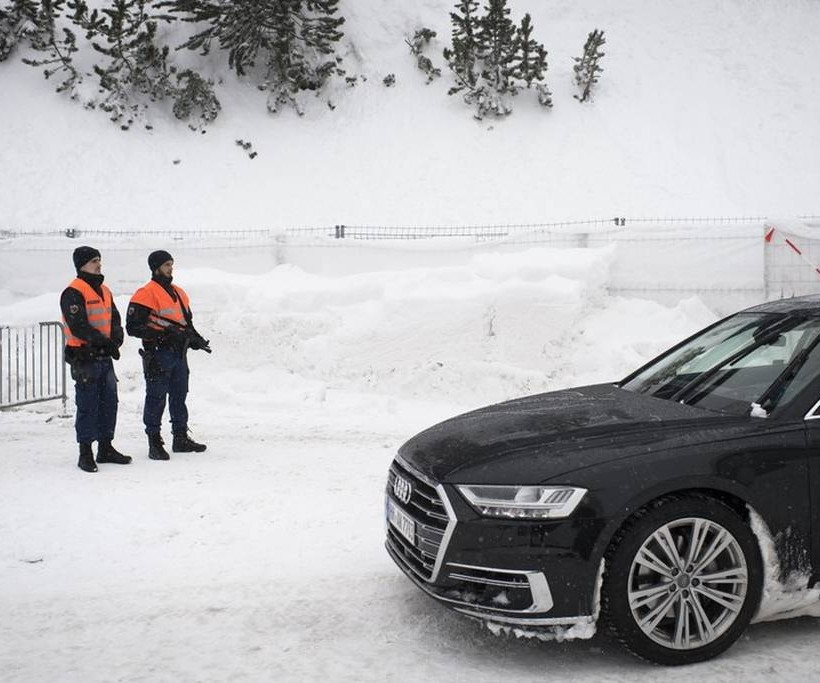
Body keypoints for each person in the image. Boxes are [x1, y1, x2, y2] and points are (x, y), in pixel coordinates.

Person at [126, 250, 210, 460]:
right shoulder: (145, 293)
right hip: (158, 354)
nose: (170, 268)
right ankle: (154, 441)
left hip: (179, 354)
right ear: (155, 268)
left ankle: (180, 437)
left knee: (179, 396)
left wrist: (196, 340)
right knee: (156, 397)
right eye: (166, 265)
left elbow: (186, 324)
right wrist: (163, 336)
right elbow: (133, 327)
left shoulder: (179, 293)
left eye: (171, 264)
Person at [60, 246, 131, 473]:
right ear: (81, 265)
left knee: (109, 403)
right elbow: (79, 326)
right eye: (93, 261)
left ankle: (105, 447)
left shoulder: (105, 291)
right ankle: (85, 452)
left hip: (104, 358)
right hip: (85, 358)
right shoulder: (73, 292)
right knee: (88, 404)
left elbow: (115, 319)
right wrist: (103, 342)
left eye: (99, 260)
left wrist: (116, 339)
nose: (98, 264)